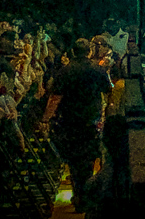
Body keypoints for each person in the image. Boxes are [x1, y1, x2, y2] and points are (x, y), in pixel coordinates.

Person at [49, 38, 112, 213]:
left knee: (74, 161)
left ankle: (78, 194)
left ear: (73, 52)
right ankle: (85, 195)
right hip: (91, 120)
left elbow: (55, 97)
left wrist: (46, 119)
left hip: (69, 121)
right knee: (88, 159)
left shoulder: (65, 71)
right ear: (89, 51)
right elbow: (108, 91)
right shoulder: (97, 70)